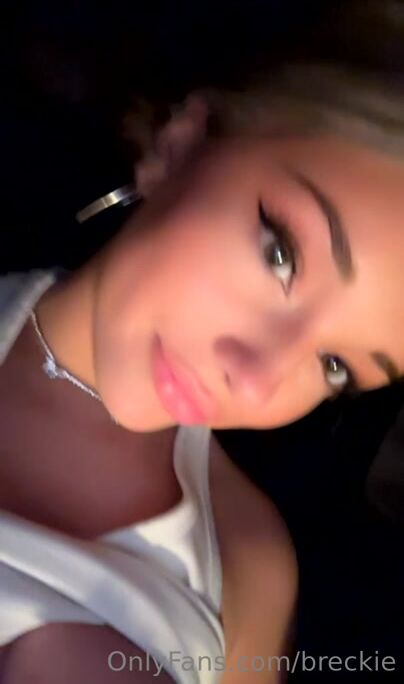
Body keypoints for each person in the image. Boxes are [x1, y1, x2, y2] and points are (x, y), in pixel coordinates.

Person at [3, 2, 404, 681]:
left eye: (335, 365)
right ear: (181, 145)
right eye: (281, 256)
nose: (255, 377)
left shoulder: (250, 564)